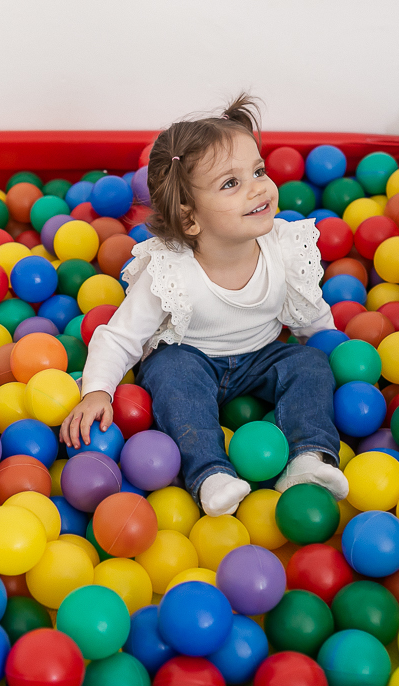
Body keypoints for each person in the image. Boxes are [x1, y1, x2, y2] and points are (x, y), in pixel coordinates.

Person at [60, 92, 348, 517]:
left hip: (262, 357)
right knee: (170, 372)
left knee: (309, 364)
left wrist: (330, 347)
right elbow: (119, 337)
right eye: (231, 184)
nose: (258, 188)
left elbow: (311, 313)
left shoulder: (283, 248)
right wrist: (97, 391)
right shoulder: (171, 272)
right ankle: (210, 474)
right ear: (190, 218)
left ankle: (307, 459)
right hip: (193, 360)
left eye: (258, 171)